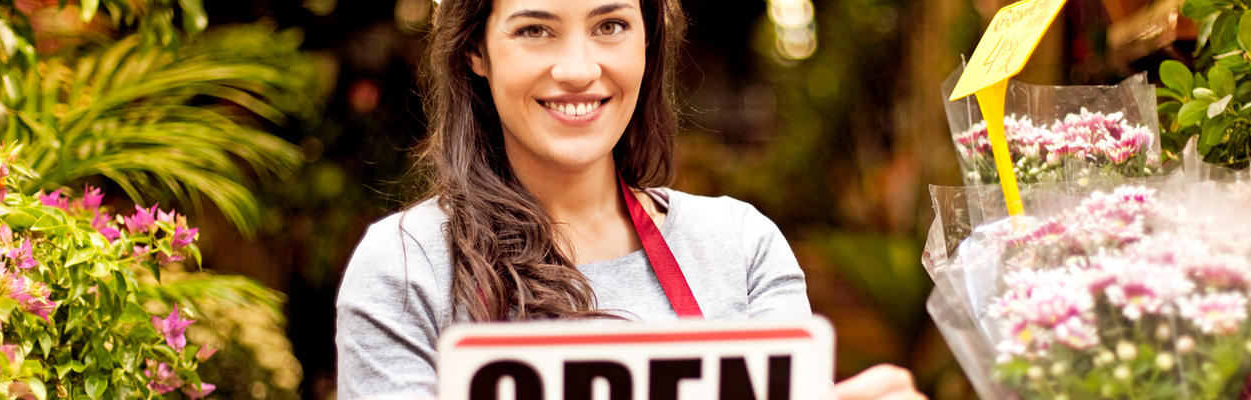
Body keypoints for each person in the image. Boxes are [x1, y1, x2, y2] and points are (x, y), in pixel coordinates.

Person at [334, 0, 926, 398]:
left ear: (648, 43)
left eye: (610, 25)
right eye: (534, 29)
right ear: (476, 52)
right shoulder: (405, 266)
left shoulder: (740, 245)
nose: (577, 68)